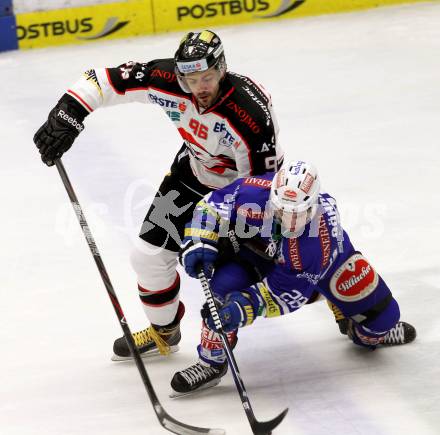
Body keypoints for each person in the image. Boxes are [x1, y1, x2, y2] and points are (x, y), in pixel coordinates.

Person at [33, 30, 285, 360]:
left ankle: (338, 291)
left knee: (263, 261)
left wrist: (215, 230)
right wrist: (68, 113)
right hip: (191, 175)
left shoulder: (248, 113)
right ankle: (164, 331)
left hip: (242, 191)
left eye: (207, 77)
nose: (200, 88)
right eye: (192, 79)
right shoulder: (166, 78)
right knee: (148, 258)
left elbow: (260, 186)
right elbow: (102, 80)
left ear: (222, 68)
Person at [172, 160, 416, 395]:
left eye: (298, 212)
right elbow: (210, 207)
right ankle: (211, 362)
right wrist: (199, 240)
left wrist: (243, 307)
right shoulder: (253, 192)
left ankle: (355, 327)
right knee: (221, 291)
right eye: (282, 210)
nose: (290, 220)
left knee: (383, 318)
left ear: (313, 205)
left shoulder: (314, 242)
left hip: (328, 266)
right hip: (260, 254)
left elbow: (287, 295)